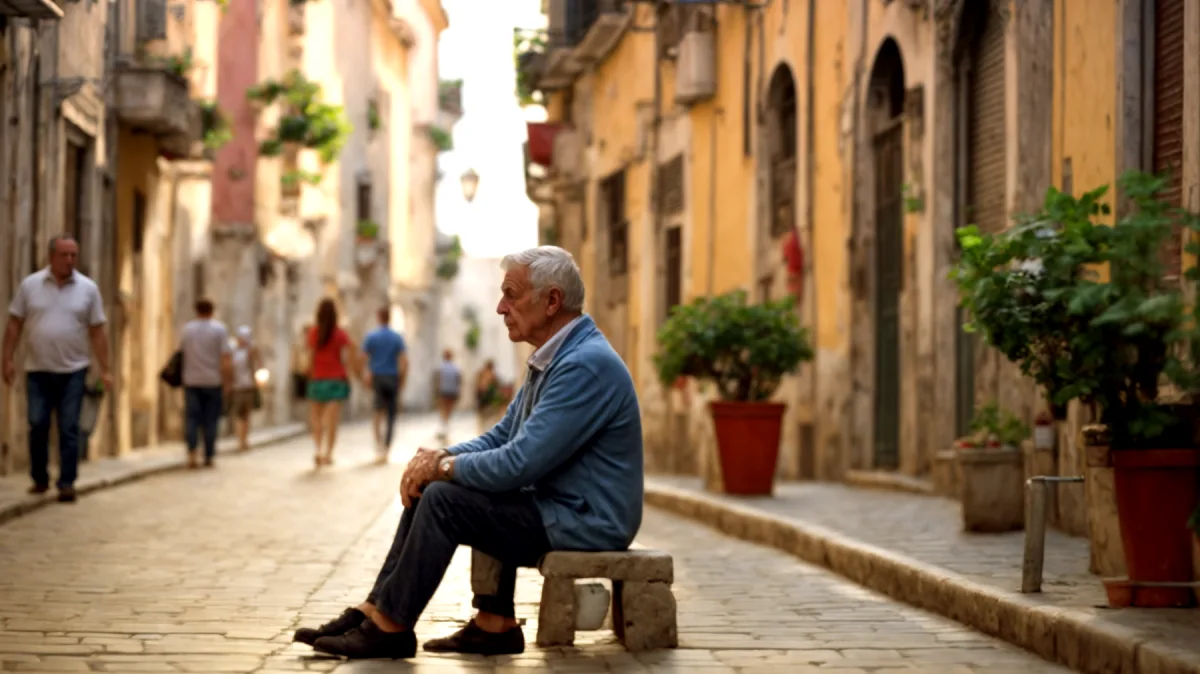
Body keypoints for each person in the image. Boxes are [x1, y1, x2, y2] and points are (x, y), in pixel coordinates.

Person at [294, 245, 643, 660]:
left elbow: (518, 463)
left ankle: (391, 626)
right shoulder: (554, 357)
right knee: (436, 484)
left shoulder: (583, 365)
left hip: (587, 518)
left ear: (551, 301)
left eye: (512, 294)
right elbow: (500, 438)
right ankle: (466, 620)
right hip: (558, 506)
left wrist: (443, 468)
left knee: (445, 498)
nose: (500, 307)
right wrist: (437, 458)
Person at [2, 236, 111, 503]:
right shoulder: (31, 285)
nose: (70, 260)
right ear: (51, 256)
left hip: (74, 369)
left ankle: (66, 483)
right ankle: (40, 478)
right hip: (37, 368)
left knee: (69, 427)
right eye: (65, 255)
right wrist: (7, 358)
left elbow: (97, 332)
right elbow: (15, 324)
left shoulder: (88, 289)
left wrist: (106, 369)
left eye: (74, 255)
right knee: (37, 424)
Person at [306, 298, 363, 468]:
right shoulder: (340, 333)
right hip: (336, 380)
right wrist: (350, 367)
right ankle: (328, 454)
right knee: (331, 421)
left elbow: (310, 357)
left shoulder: (314, 332)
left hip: (318, 378)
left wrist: (310, 374)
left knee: (316, 418)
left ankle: (317, 449)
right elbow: (353, 347)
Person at [178, 298, 233, 469]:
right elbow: (226, 358)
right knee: (211, 420)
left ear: (196, 310)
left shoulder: (187, 330)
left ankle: (192, 454)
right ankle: (209, 455)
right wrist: (227, 381)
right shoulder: (219, 329)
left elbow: (181, 353)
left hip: (191, 380)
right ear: (212, 310)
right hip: (212, 381)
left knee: (192, 419)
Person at [362, 307, 408, 463]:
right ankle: (387, 449)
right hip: (392, 377)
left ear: (378, 317)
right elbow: (404, 361)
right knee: (391, 415)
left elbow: (364, 358)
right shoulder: (397, 337)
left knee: (377, 412)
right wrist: (402, 380)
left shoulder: (372, 336)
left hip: (378, 377)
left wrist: (366, 374)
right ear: (389, 318)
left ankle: (378, 445)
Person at [228, 325, 262, 452]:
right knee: (238, 414)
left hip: (249, 386)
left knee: (247, 414)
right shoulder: (233, 351)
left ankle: (245, 439)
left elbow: (257, 366)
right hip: (237, 387)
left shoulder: (251, 351)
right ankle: (239, 440)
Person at [433, 349, 461, 440]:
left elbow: (437, 380)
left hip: (444, 391)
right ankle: (446, 427)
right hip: (452, 391)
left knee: (443, 409)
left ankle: (444, 427)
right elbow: (459, 380)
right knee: (448, 410)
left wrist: (436, 391)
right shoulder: (455, 368)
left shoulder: (440, 367)